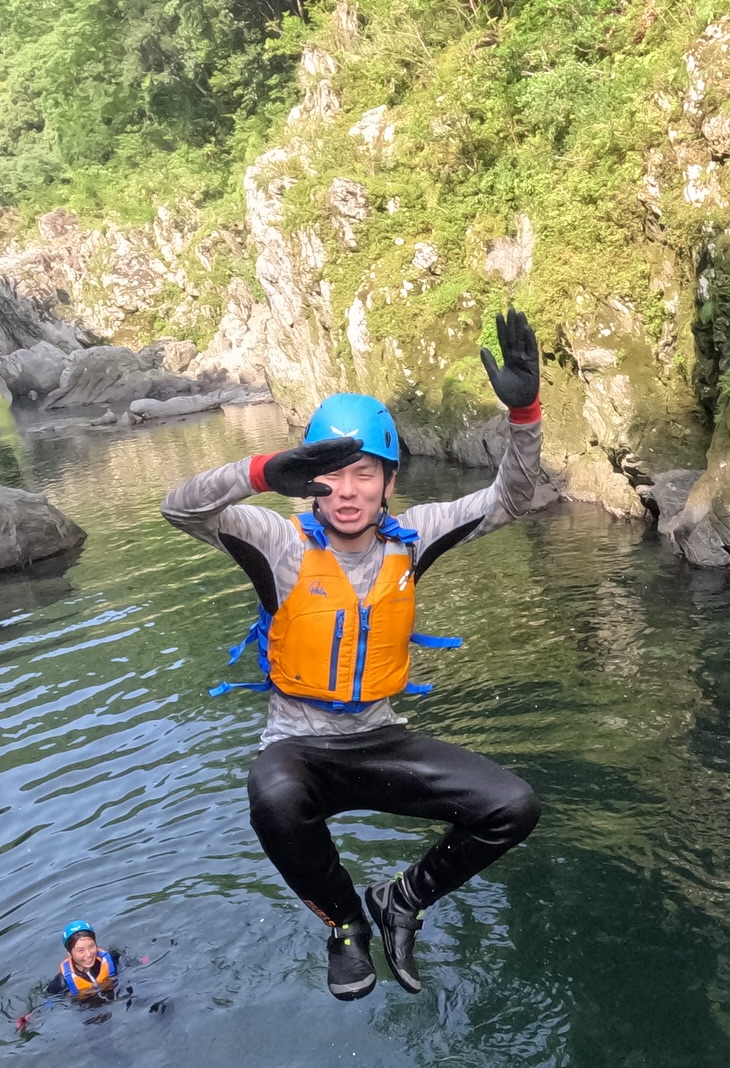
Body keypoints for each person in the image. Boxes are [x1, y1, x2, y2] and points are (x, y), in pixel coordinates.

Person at [161, 307, 549, 1000]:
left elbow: (511, 499)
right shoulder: (274, 540)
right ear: (308, 479)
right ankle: (345, 922)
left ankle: (401, 899)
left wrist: (525, 416)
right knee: (271, 793)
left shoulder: (414, 536)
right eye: (330, 474)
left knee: (512, 805)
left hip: (379, 740)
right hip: (301, 749)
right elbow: (179, 509)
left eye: (365, 473)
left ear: (390, 482)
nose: (347, 491)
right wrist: (258, 470)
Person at [46, 922, 128, 998]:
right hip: (88, 1008)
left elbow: (130, 962)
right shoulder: (62, 982)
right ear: (69, 953)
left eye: (91, 946)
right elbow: (48, 1000)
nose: (88, 955)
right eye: (80, 950)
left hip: (116, 992)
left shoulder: (111, 958)